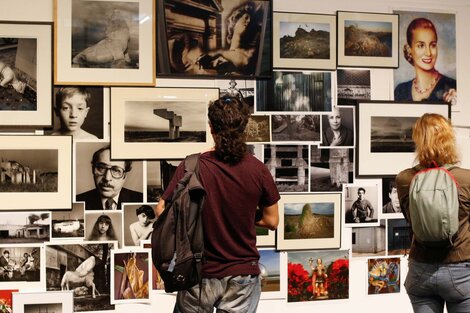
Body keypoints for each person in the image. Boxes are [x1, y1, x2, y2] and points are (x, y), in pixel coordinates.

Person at [155, 96, 280, 313]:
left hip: (199, 272)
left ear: (211, 127)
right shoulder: (258, 170)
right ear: (244, 126)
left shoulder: (191, 165)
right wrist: (244, 214)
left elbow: (161, 210)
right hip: (243, 275)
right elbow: (272, 220)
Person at [396, 113, 470, 313]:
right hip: (461, 268)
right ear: (449, 139)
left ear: (418, 140)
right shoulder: (466, 179)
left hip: (420, 269)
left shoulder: (404, 179)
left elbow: (409, 217)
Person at [169, 1, 264, 76]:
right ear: (235, 22)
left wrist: (221, 54)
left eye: (251, 21)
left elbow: (244, 61)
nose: (248, 21)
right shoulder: (212, 56)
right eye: (246, 17)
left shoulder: (249, 54)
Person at [394, 18, 457, 104]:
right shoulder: (401, 91)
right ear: (409, 50)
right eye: (421, 45)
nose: (428, 53)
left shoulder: (452, 87)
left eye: (433, 45)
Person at [77, 145, 143, 210]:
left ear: (124, 176)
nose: (107, 178)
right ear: (92, 170)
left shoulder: (141, 200)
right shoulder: (77, 200)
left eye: (116, 170)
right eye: (101, 168)